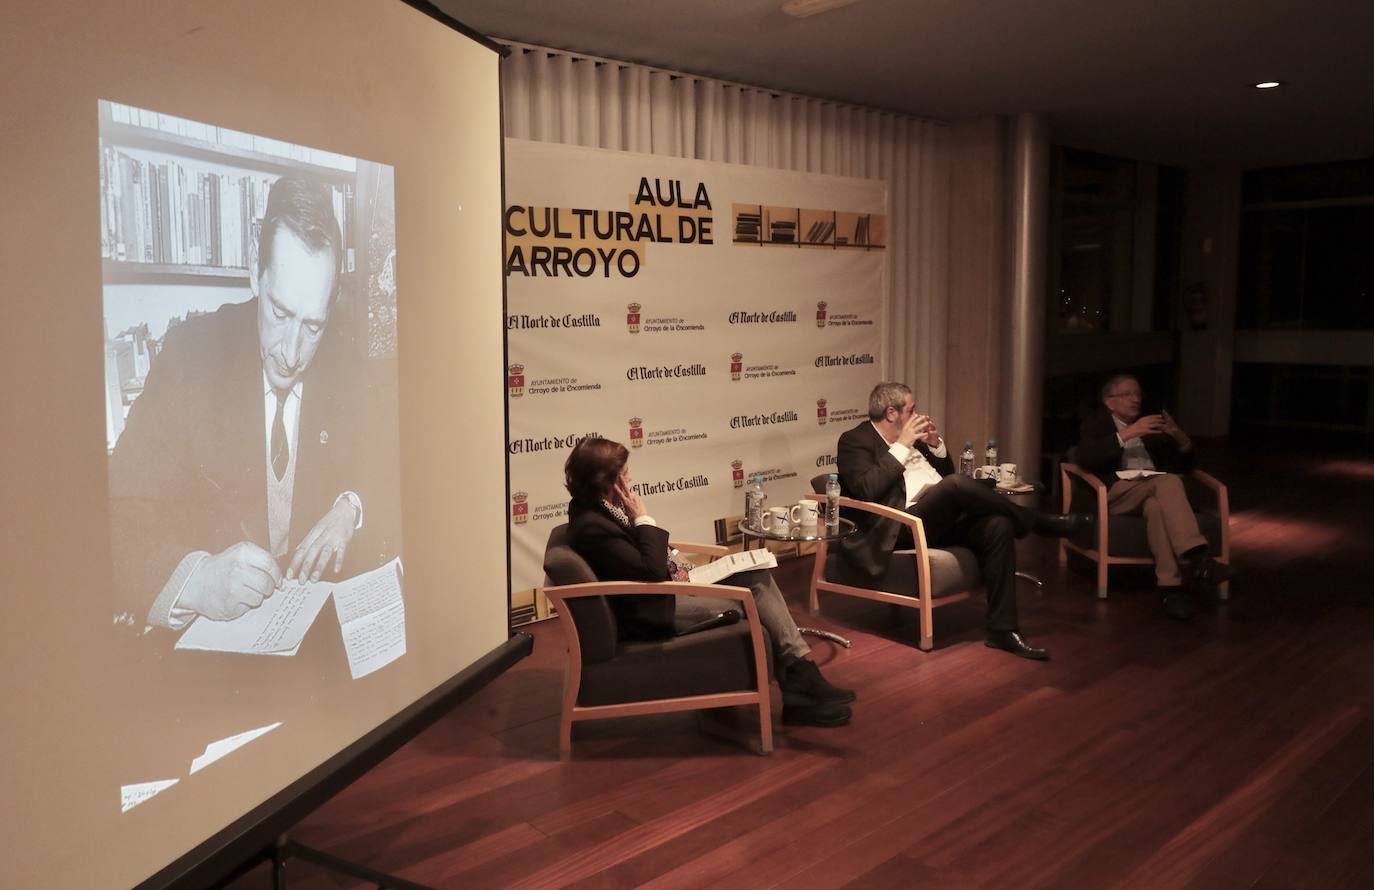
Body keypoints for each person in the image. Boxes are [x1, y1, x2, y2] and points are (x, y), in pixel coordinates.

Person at [109, 173, 380, 632]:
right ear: (256, 271)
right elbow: (116, 512)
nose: (291, 353)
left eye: (312, 326)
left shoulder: (344, 361)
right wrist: (194, 580)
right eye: (280, 313)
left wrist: (349, 508)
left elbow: (385, 460)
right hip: (206, 655)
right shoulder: (189, 357)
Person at [563, 437, 855, 727]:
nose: (630, 479)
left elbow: (641, 562)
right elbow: (651, 570)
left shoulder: (600, 509)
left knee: (755, 575)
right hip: (652, 609)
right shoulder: (593, 525)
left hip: (664, 588)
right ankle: (801, 682)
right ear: (607, 480)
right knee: (753, 598)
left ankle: (800, 677)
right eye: (624, 473)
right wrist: (643, 517)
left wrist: (675, 559)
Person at [836, 382, 1091, 660]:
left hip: (936, 519)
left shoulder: (912, 440)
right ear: (891, 413)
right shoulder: (855, 441)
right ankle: (1041, 523)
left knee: (998, 525)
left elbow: (944, 476)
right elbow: (866, 489)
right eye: (911, 409)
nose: (917, 415)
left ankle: (1003, 630)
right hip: (900, 527)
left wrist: (935, 446)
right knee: (957, 485)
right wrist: (901, 446)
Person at [1075, 374, 1235, 619]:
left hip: (1153, 490)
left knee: (1157, 506)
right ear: (1109, 402)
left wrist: (1179, 436)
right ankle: (1198, 558)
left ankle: (1170, 590)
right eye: (1127, 394)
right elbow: (1085, 457)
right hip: (1116, 494)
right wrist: (1128, 434)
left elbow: (1186, 466)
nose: (1135, 399)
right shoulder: (1097, 425)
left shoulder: (1151, 428)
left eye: (1138, 394)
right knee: (1167, 481)